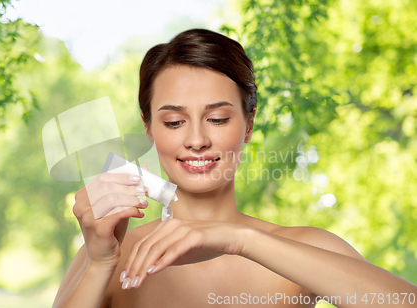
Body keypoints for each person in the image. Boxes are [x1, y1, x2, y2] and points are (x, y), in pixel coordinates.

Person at [52, 28, 417, 308]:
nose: (196, 140)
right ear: (149, 128)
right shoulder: (109, 254)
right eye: (174, 122)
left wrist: (238, 239)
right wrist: (100, 264)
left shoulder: (301, 248)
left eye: (217, 118)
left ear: (248, 124)